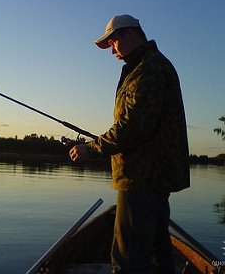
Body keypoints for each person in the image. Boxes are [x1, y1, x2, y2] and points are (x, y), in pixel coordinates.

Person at [69, 14, 190, 274]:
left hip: (141, 179)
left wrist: (91, 148)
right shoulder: (148, 66)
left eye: (113, 41)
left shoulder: (148, 69)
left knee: (128, 260)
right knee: (159, 250)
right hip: (154, 178)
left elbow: (131, 127)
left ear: (130, 34)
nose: (111, 49)